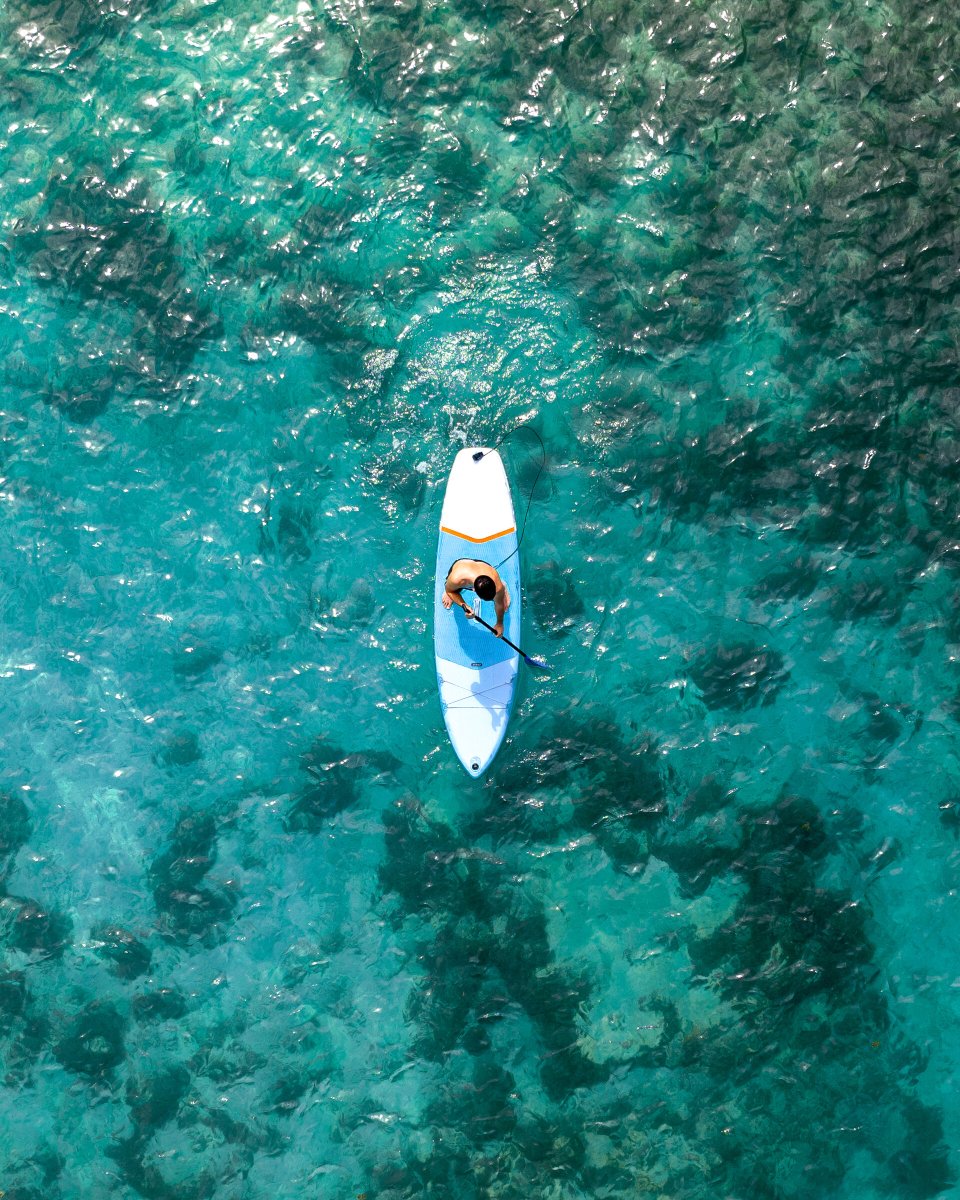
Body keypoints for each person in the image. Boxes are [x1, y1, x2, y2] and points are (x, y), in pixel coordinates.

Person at [442, 559, 511, 637]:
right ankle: (450, 586)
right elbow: (450, 591)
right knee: (450, 588)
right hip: (460, 566)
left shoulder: (497, 584)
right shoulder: (457, 579)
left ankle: (503, 588)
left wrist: (500, 624)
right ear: (473, 590)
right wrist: (464, 605)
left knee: (500, 595)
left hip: (483, 566)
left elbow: (499, 604)